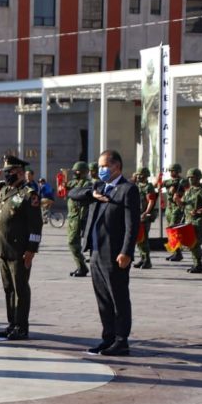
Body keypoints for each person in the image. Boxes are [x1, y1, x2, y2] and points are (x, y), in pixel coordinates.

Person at [68, 149, 140, 356]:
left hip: (115, 254)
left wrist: (126, 251)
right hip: (96, 252)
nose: (101, 170)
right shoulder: (99, 187)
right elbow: (73, 194)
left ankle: (121, 340)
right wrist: (91, 194)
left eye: (104, 166)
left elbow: (131, 225)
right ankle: (107, 338)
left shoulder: (128, 190)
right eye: (100, 166)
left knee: (118, 297)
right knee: (103, 299)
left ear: (117, 166)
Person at [0, 156, 43, 341]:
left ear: (20, 172)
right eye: (5, 171)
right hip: (3, 248)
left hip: (19, 250)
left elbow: (36, 225)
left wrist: (31, 250)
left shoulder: (29, 194)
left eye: (10, 171)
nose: (7, 175)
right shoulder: (4, 190)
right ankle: (12, 323)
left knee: (20, 288)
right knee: (8, 289)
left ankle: (22, 327)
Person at [174, 168, 202, 273]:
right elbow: (183, 205)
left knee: (195, 243)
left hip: (198, 221)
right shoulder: (189, 191)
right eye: (189, 177)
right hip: (188, 220)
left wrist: (198, 211)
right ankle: (196, 264)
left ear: (198, 177)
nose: (190, 179)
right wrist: (177, 200)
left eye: (192, 177)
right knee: (190, 243)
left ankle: (198, 264)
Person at [65, 161, 91, 277]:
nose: (75, 173)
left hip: (79, 218)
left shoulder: (87, 183)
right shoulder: (74, 182)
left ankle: (82, 266)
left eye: (77, 171)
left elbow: (82, 195)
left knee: (72, 243)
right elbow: (65, 186)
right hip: (71, 217)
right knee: (73, 243)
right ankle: (81, 267)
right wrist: (63, 175)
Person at [133, 167, 157, 270]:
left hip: (144, 216)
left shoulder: (148, 187)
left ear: (146, 176)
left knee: (144, 239)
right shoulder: (137, 185)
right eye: (137, 174)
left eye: (141, 174)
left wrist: (146, 212)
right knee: (139, 238)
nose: (138, 176)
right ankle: (142, 259)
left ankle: (147, 261)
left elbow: (151, 201)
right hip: (137, 214)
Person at [162, 163, 186, 262]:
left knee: (173, 230)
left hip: (176, 208)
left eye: (173, 171)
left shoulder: (182, 182)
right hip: (169, 208)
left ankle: (178, 253)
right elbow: (160, 184)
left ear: (178, 171)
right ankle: (176, 252)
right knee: (170, 230)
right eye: (170, 171)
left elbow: (186, 192)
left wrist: (177, 192)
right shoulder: (169, 181)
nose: (172, 173)